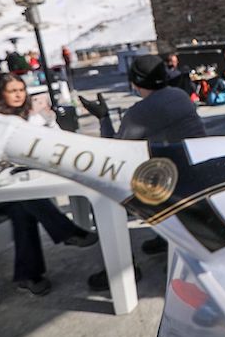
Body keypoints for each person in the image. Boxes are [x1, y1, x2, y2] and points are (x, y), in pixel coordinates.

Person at [0, 73, 98, 296]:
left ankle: (29, 276)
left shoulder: (25, 116)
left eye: (21, 90)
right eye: (12, 91)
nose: (19, 95)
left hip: (1, 190)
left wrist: (47, 120)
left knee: (21, 207)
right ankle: (66, 232)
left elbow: (52, 142)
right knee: (22, 200)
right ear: (0, 94)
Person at [79, 55, 207, 282]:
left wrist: (103, 117)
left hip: (172, 189)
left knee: (103, 198)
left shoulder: (139, 113)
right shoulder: (181, 96)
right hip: (199, 175)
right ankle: (166, 236)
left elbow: (113, 151)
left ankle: (122, 268)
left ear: (135, 84)